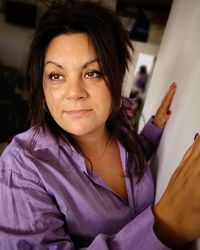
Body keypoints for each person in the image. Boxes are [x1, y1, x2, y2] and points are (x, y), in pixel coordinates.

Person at [0, 0, 199, 249]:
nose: (74, 93)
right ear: (42, 90)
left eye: (92, 72)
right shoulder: (21, 169)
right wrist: (167, 225)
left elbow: (134, 157)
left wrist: (156, 126)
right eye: (56, 76)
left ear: (115, 80)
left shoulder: (119, 124)